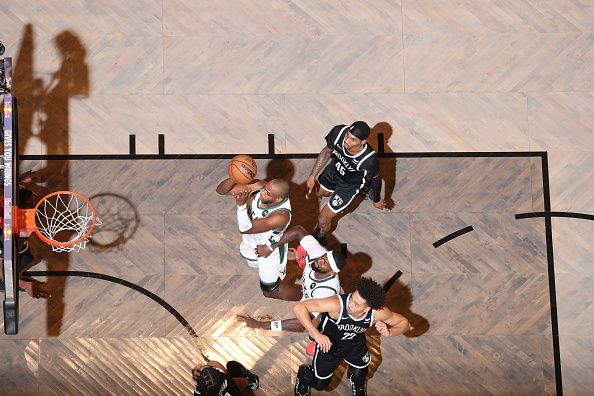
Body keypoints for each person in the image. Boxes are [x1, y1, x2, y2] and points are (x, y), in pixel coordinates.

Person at [292, 277, 410, 396]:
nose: (350, 304)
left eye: (356, 304)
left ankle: (357, 383)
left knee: (360, 374)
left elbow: (404, 323)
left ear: (367, 308)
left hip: (355, 344)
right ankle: (304, 375)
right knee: (320, 385)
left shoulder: (378, 313)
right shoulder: (336, 304)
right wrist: (316, 335)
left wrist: (389, 332)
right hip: (330, 346)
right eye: (352, 298)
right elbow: (299, 308)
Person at [237, 225, 346, 335]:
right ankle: (298, 259)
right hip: (308, 294)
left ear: (332, 272)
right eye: (324, 256)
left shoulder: (326, 292)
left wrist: (261, 325)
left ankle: (323, 330)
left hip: (328, 309)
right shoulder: (318, 253)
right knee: (269, 291)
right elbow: (298, 230)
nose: (320, 260)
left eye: (326, 263)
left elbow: (300, 323)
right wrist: (270, 247)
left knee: (314, 328)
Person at [216, 177, 300, 300]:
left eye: (268, 193)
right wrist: (234, 176)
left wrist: (241, 206)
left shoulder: (281, 215)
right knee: (252, 263)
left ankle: (307, 297)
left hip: (269, 250)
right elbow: (221, 191)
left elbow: (246, 228)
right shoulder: (259, 187)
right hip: (250, 242)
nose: (263, 192)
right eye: (265, 189)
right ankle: (291, 254)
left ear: (278, 199)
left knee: (269, 291)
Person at [305, 121, 386, 244]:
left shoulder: (369, 160)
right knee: (321, 193)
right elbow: (327, 151)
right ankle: (336, 197)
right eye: (347, 135)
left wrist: (376, 199)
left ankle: (319, 237)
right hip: (334, 170)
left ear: (362, 142)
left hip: (349, 185)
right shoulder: (338, 132)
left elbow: (377, 178)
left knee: (323, 219)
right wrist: (312, 176)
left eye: (353, 139)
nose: (347, 141)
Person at [192, 359, 258, 396]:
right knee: (214, 364)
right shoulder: (227, 383)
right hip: (230, 388)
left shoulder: (202, 391)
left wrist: (200, 386)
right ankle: (252, 382)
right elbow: (243, 381)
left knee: (212, 364)